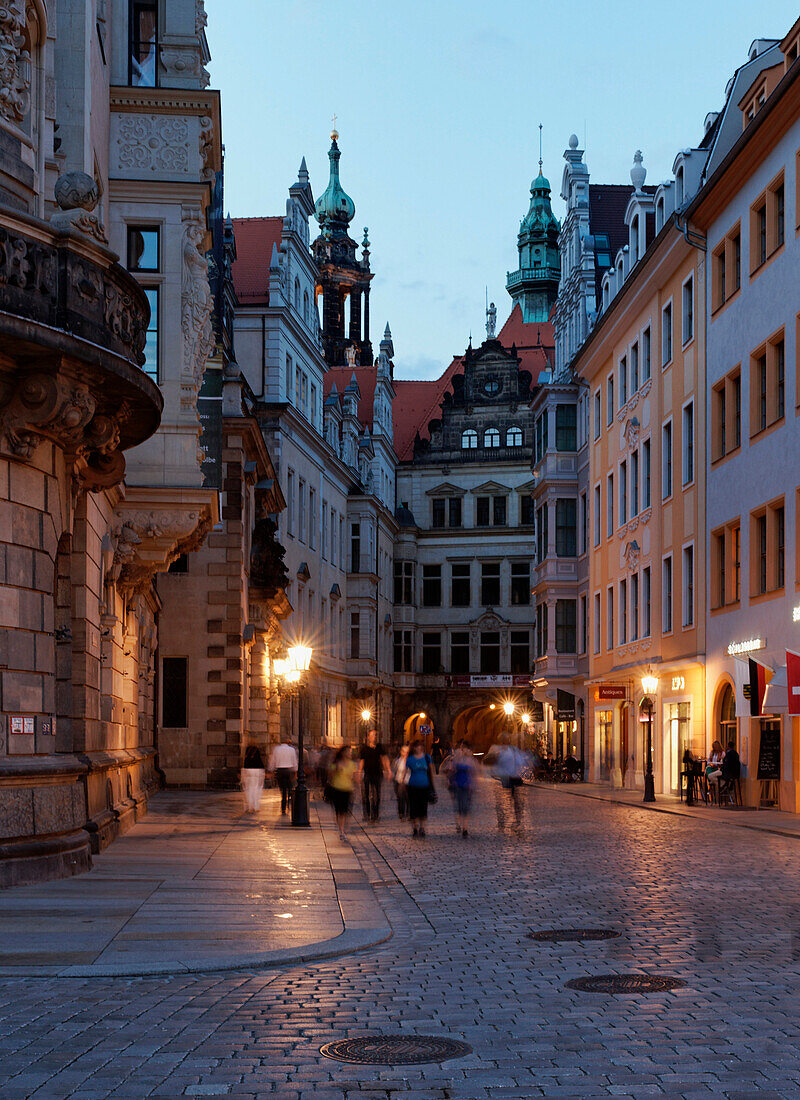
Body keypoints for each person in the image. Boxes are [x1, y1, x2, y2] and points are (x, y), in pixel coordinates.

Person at [493, 739, 527, 834]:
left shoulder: (502, 753)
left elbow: (497, 766)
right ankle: (514, 821)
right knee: (514, 801)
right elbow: (520, 763)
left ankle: (509, 821)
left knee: (511, 801)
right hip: (511, 778)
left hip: (510, 778)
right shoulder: (511, 752)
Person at [356, 729, 390, 822]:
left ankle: (375, 814)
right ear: (369, 737)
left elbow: (384, 758)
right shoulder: (364, 748)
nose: (374, 737)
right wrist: (359, 772)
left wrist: (388, 770)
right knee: (365, 795)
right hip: (367, 773)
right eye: (373, 735)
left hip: (377, 773)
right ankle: (367, 814)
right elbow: (362, 761)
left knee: (377, 795)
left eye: (375, 735)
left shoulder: (379, 747)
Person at [446, 740, 476, 837]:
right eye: (463, 748)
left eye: (466, 749)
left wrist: (474, 784)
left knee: (466, 807)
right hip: (457, 785)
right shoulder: (456, 759)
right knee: (459, 806)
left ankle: (465, 828)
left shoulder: (471, 760)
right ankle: (459, 823)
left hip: (468, 785)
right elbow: (450, 770)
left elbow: (475, 772)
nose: (464, 750)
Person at [405, 739, 435, 837]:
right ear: (414, 748)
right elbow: (405, 772)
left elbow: (431, 772)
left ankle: (422, 828)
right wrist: (402, 783)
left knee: (423, 807)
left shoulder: (427, 757)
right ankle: (415, 827)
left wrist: (432, 785)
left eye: (421, 746)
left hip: (424, 786)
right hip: (412, 786)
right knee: (413, 807)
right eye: (417, 746)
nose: (419, 748)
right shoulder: (410, 759)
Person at [328, 745, 357, 841]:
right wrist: (336, 769)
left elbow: (354, 777)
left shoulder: (352, 764)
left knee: (345, 811)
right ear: (343, 753)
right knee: (338, 810)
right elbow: (330, 775)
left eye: (350, 752)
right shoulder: (336, 763)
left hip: (348, 789)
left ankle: (342, 829)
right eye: (348, 752)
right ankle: (341, 829)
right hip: (337, 789)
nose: (350, 754)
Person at [268, 735, 298, 815]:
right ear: (288, 742)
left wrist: (271, 771)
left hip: (280, 771)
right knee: (290, 787)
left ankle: (283, 807)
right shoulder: (291, 750)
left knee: (283, 789)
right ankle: (289, 801)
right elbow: (294, 762)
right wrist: (295, 773)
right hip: (289, 771)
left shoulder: (276, 749)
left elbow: (273, 761)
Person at [241, 742, 266, 814]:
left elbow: (245, 762)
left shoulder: (247, 751)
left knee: (248, 790)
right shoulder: (256, 751)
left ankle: (249, 806)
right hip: (257, 771)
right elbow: (259, 761)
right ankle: (256, 806)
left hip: (248, 770)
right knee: (256, 790)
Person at [392, 743, 410, 820]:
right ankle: (401, 813)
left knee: (408, 798)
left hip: (408, 782)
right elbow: (394, 771)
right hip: (399, 781)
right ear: (401, 752)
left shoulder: (411, 761)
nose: (405, 753)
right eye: (403, 751)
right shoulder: (397, 761)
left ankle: (408, 813)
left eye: (407, 752)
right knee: (400, 798)